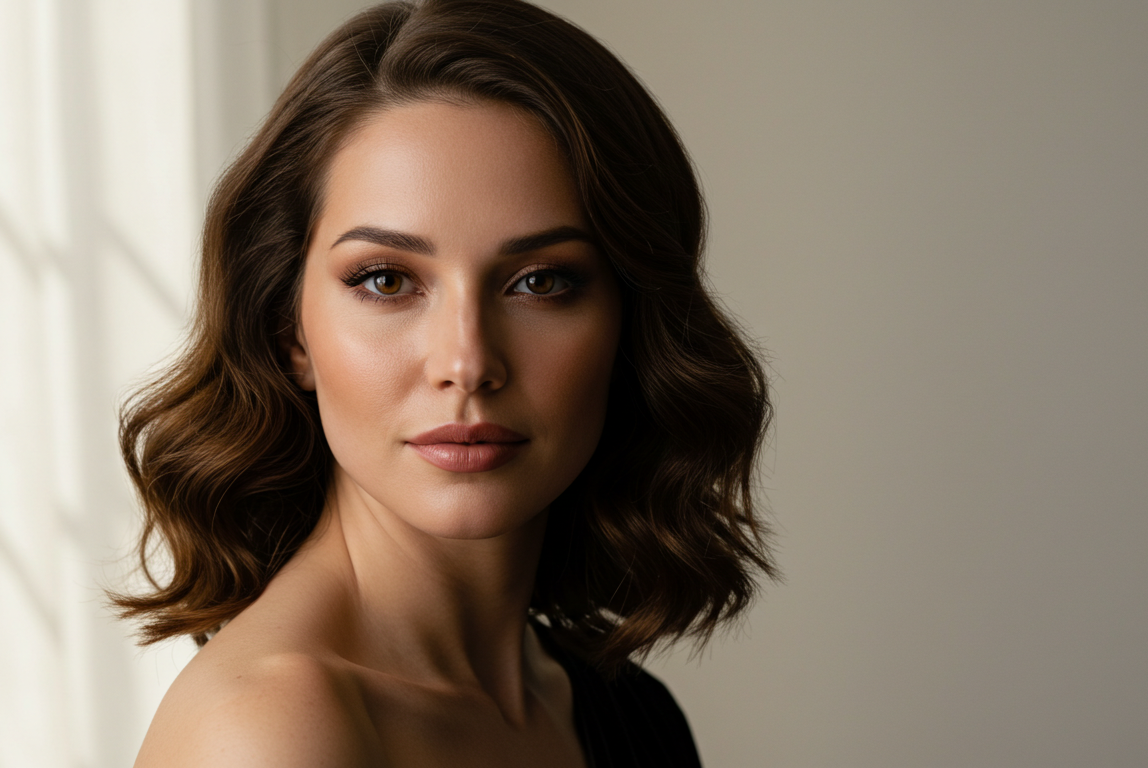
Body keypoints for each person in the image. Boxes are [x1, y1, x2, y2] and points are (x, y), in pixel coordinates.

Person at [114, 1, 774, 765]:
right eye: (387, 279)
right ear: (288, 330)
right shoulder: (270, 732)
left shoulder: (625, 707)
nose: (466, 361)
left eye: (540, 282)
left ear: (631, 320)